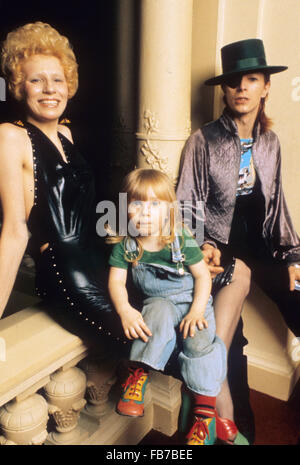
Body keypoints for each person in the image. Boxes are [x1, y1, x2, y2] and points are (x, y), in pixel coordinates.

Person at [176, 38, 300, 443]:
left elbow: (277, 202)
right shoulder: (202, 141)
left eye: (252, 79)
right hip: (219, 244)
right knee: (228, 339)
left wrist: (294, 256)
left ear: (266, 86)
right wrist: (198, 255)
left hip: (264, 240)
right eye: (233, 82)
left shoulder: (271, 142)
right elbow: (187, 207)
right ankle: (235, 426)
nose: (242, 88)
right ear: (224, 91)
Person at [0, 22, 126, 350]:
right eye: (36, 80)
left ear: (68, 85)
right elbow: (15, 231)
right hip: (66, 273)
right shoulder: (9, 137)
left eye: (57, 80)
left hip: (100, 260)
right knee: (150, 337)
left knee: (190, 310)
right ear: (18, 86)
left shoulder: (66, 134)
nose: (49, 89)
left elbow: (89, 212)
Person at [107, 168, 248, 445]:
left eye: (155, 204)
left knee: (200, 343)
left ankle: (205, 415)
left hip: (192, 299)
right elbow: (116, 282)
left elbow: (202, 277)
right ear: (125, 209)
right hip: (160, 300)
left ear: (169, 210)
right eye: (137, 204)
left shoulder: (180, 239)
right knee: (153, 315)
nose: (146, 212)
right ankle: (138, 373)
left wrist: (196, 310)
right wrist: (124, 309)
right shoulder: (127, 246)